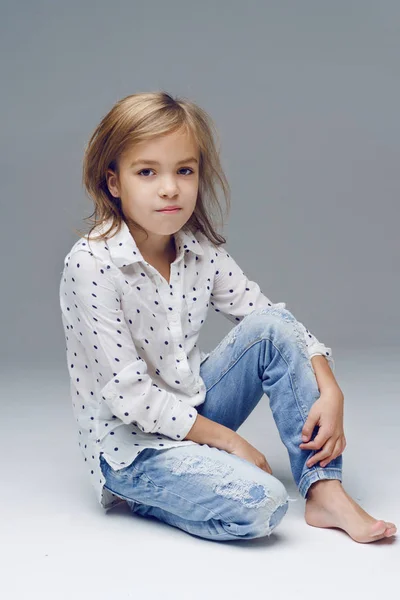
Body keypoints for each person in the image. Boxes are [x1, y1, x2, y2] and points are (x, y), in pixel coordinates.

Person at [59, 91, 396, 543]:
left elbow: (269, 319)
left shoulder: (200, 249)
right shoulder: (91, 265)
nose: (170, 188)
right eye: (146, 172)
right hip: (131, 447)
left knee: (273, 329)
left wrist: (330, 386)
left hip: (191, 411)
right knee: (263, 502)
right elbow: (131, 397)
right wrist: (231, 442)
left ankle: (326, 492)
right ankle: (147, 494)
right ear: (113, 183)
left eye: (184, 170)